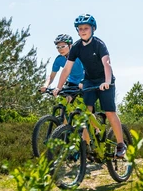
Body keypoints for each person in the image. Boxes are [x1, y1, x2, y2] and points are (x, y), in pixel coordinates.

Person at [53, 14, 127, 158]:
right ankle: (85, 147)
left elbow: (107, 64)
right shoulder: (76, 47)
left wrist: (106, 81)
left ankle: (120, 144)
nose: (83, 31)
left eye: (86, 28)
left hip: (105, 81)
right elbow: (67, 69)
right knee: (86, 114)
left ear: (93, 29)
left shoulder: (99, 44)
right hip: (89, 81)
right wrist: (59, 87)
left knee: (110, 112)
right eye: (80, 29)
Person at [40, 34, 83, 100]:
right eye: (58, 47)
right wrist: (45, 85)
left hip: (84, 81)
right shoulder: (59, 59)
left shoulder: (79, 56)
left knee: (86, 102)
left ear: (70, 46)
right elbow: (51, 76)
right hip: (72, 82)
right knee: (65, 100)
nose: (60, 49)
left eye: (63, 46)